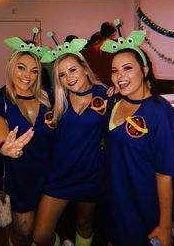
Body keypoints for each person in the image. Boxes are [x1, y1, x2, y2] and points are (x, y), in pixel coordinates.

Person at [99, 32, 174, 246]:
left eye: (128, 68)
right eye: (114, 71)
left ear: (144, 70)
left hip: (143, 208)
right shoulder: (115, 103)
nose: (120, 76)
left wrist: (165, 224)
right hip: (114, 202)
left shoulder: (162, 114)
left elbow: (165, 175)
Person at [33, 39, 110, 246]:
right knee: (40, 235)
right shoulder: (56, 99)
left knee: (85, 224)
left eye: (72, 70)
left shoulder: (106, 96)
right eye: (62, 74)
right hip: (60, 175)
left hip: (91, 173)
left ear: (85, 69)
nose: (69, 77)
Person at [0, 37, 55, 246]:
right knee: (23, 232)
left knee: (44, 233)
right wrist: (4, 144)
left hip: (50, 175)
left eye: (34, 71)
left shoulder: (49, 96)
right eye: (21, 68)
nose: (27, 76)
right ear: (11, 67)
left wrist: (106, 91)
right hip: (18, 177)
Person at [82, 21, 117, 86]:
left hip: (94, 84)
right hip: (111, 84)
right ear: (112, 34)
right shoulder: (113, 48)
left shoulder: (88, 50)